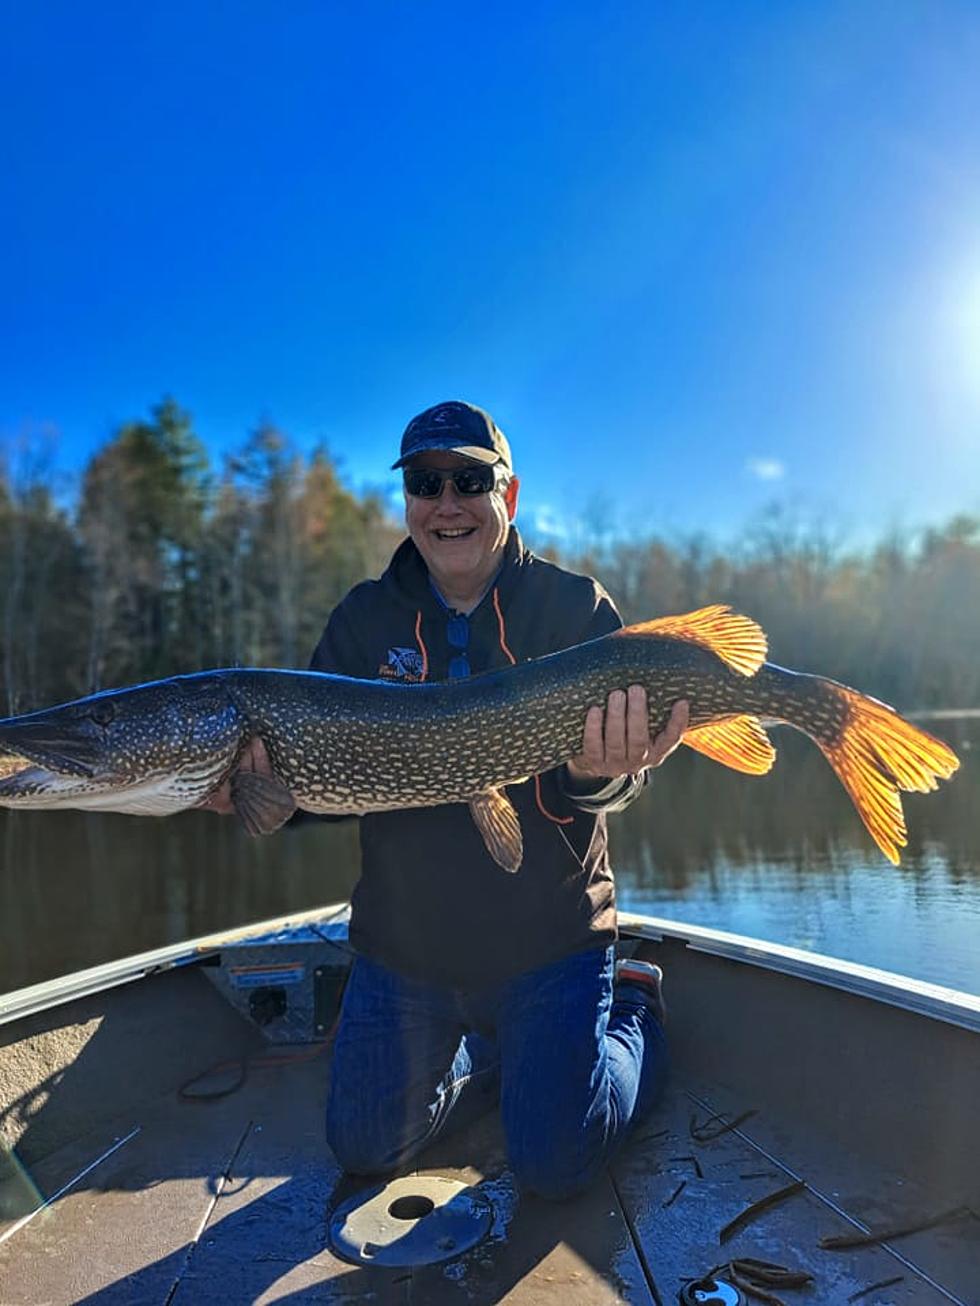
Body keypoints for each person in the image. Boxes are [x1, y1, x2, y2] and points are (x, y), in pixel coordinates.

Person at [207, 401, 688, 1200]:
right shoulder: (365, 619)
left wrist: (602, 770)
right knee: (364, 1150)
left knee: (555, 1165)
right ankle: (496, 1056)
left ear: (510, 494)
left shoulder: (573, 609)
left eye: (471, 479)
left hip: (552, 936)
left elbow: (621, 784)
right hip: (409, 947)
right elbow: (326, 786)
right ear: (409, 503)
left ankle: (633, 1011)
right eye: (427, 484)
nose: (448, 502)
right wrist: (265, 793)